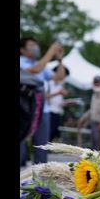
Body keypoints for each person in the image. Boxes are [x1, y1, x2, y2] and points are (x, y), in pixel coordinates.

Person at [19, 37, 64, 166]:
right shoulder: (22, 62)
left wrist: (60, 60)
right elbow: (35, 70)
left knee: (42, 144)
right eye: (31, 45)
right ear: (22, 50)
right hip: (23, 108)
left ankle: (39, 173)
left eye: (36, 44)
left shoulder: (41, 64)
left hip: (42, 109)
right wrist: (51, 51)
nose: (35, 47)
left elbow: (59, 77)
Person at [47, 65, 70, 142]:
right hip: (49, 112)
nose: (64, 78)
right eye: (63, 75)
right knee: (48, 135)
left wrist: (67, 103)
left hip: (57, 113)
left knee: (54, 135)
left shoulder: (60, 85)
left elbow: (58, 102)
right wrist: (58, 93)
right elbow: (44, 96)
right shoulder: (48, 83)